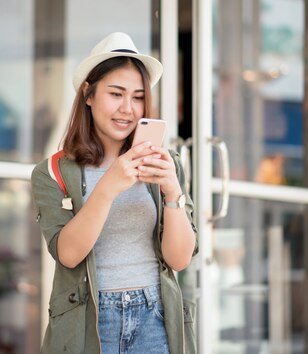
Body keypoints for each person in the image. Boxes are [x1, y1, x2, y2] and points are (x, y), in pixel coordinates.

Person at [31, 32, 198, 353]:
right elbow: (68, 254)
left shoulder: (165, 163)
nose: (128, 108)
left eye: (137, 97)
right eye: (116, 94)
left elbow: (179, 259)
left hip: (154, 318)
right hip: (90, 319)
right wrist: (109, 186)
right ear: (88, 95)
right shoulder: (52, 172)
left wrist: (173, 192)